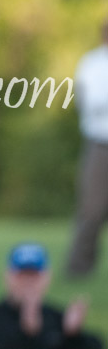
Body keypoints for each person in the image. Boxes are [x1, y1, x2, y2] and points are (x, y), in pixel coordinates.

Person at [0, 242, 104, 349]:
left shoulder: (58, 318)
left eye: (34, 275)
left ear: (47, 278)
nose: (28, 282)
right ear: (7, 277)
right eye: (22, 275)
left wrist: (74, 335)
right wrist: (27, 335)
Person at [67, 20, 108, 279]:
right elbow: (85, 100)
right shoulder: (92, 63)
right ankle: (79, 268)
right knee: (91, 209)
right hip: (100, 143)